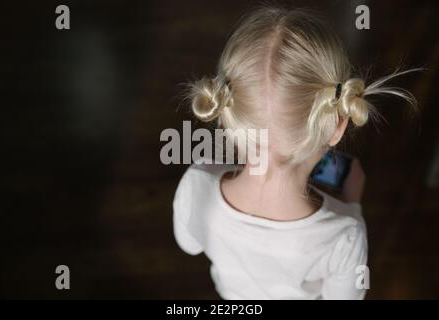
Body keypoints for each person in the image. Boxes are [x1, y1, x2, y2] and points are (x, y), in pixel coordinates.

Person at [173, 6, 416, 299]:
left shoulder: (195, 182)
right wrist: (351, 203)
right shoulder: (344, 235)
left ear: (227, 117)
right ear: (338, 126)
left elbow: (189, 244)